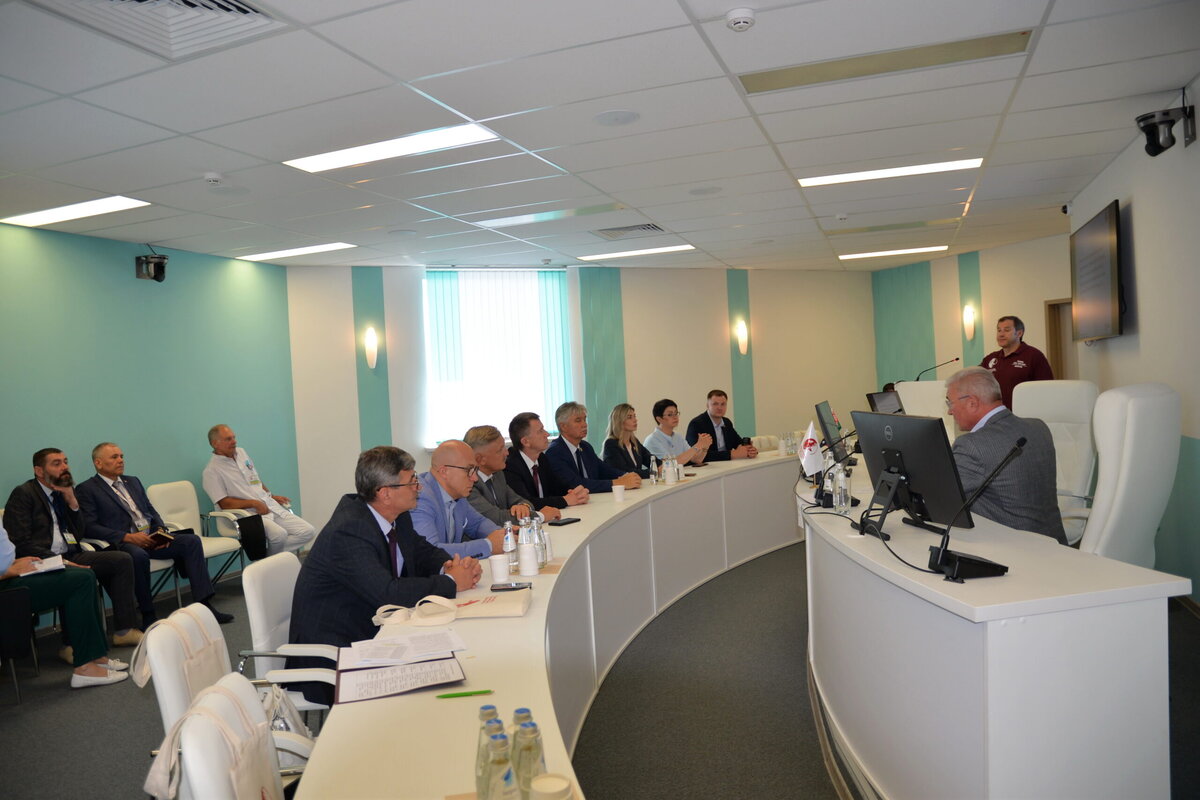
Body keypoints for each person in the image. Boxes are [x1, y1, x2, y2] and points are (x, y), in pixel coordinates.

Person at [288, 446, 480, 705]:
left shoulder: (396, 515)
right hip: (337, 652)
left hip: (375, 628)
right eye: (411, 481)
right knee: (437, 677)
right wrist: (452, 582)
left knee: (455, 657)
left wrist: (450, 565)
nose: (419, 487)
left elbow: (422, 551)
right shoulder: (349, 530)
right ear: (385, 493)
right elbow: (387, 593)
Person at [76, 442, 234, 626]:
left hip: (150, 537)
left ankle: (205, 605)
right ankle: (148, 614)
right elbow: (89, 526)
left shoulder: (132, 481)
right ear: (98, 463)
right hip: (125, 543)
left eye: (121, 456)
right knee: (138, 556)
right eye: (114, 457)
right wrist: (127, 537)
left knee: (191, 541)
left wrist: (160, 531)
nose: (120, 460)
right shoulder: (87, 489)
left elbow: (150, 511)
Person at [4, 448, 143, 656]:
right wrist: (58, 560)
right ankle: (70, 645)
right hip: (39, 560)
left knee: (121, 560)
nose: (65, 467)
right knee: (78, 576)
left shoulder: (62, 492)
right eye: (57, 463)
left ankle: (125, 630)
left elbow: (77, 534)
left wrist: (71, 500)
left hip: (70, 553)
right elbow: (20, 541)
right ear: (39, 471)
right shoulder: (24, 494)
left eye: (65, 461)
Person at [945, 367, 1067, 545]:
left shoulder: (971, 445)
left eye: (950, 403)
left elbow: (942, 496)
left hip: (1013, 550)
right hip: (1056, 545)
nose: (949, 411)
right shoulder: (1039, 427)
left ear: (972, 402)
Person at [0, 521, 129, 688]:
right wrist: (9, 570)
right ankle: (84, 669)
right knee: (80, 581)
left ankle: (96, 656)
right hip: (6, 587)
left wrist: (14, 563)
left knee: (86, 574)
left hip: (9, 574)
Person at [202, 424, 315, 556]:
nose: (234, 441)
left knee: (307, 531)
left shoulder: (241, 453)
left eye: (234, 437)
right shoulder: (211, 471)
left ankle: (267, 559)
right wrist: (254, 503)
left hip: (266, 505)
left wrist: (271, 496)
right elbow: (224, 503)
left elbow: (255, 480)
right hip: (245, 515)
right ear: (215, 444)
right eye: (228, 439)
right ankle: (272, 562)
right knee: (279, 535)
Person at [411, 440, 505, 559]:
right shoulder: (419, 498)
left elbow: (478, 524)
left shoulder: (457, 495)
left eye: (475, 470)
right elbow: (430, 552)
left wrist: (505, 535)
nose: (475, 478)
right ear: (444, 472)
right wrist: (489, 545)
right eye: (469, 470)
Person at [464, 425, 562, 525]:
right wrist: (541, 516)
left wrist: (523, 507)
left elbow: (521, 501)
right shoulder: (468, 484)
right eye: (500, 450)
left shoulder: (497, 474)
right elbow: (496, 518)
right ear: (480, 459)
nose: (507, 453)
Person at [545, 402, 641, 494]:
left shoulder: (585, 446)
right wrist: (617, 483)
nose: (584, 424)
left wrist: (627, 476)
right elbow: (575, 484)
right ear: (563, 426)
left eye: (584, 419)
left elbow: (604, 469)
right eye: (578, 420)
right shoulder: (555, 452)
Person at [504, 412, 590, 510]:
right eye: (540, 431)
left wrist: (575, 493)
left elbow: (558, 487)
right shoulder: (510, 466)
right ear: (525, 441)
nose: (547, 434)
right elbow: (526, 503)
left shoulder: (542, 458)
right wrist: (565, 500)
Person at [979, 315, 1054, 409]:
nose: (1001, 334)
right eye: (999, 330)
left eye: (1006, 330)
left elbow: (1047, 389)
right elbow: (975, 381)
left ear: (1019, 333)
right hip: (997, 414)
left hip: (1024, 414)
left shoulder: (1034, 355)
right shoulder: (991, 358)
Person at [685, 390, 758, 462]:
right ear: (707, 405)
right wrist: (731, 454)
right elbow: (695, 455)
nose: (719, 408)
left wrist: (749, 450)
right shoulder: (696, 424)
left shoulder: (727, 422)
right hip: (707, 467)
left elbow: (738, 443)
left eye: (723, 404)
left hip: (726, 465)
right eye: (715, 404)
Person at [644, 398, 711, 466]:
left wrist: (705, 447)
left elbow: (696, 459)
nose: (675, 417)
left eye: (676, 413)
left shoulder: (678, 437)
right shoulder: (652, 440)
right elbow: (670, 464)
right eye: (670, 415)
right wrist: (698, 445)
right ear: (659, 419)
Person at [602, 403, 654, 478]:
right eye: (629, 417)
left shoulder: (634, 441)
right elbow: (624, 471)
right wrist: (652, 471)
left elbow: (650, 458)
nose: (635, 420)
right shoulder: (611, 443)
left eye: (634, 416)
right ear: (619, 421)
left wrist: (661, 465)